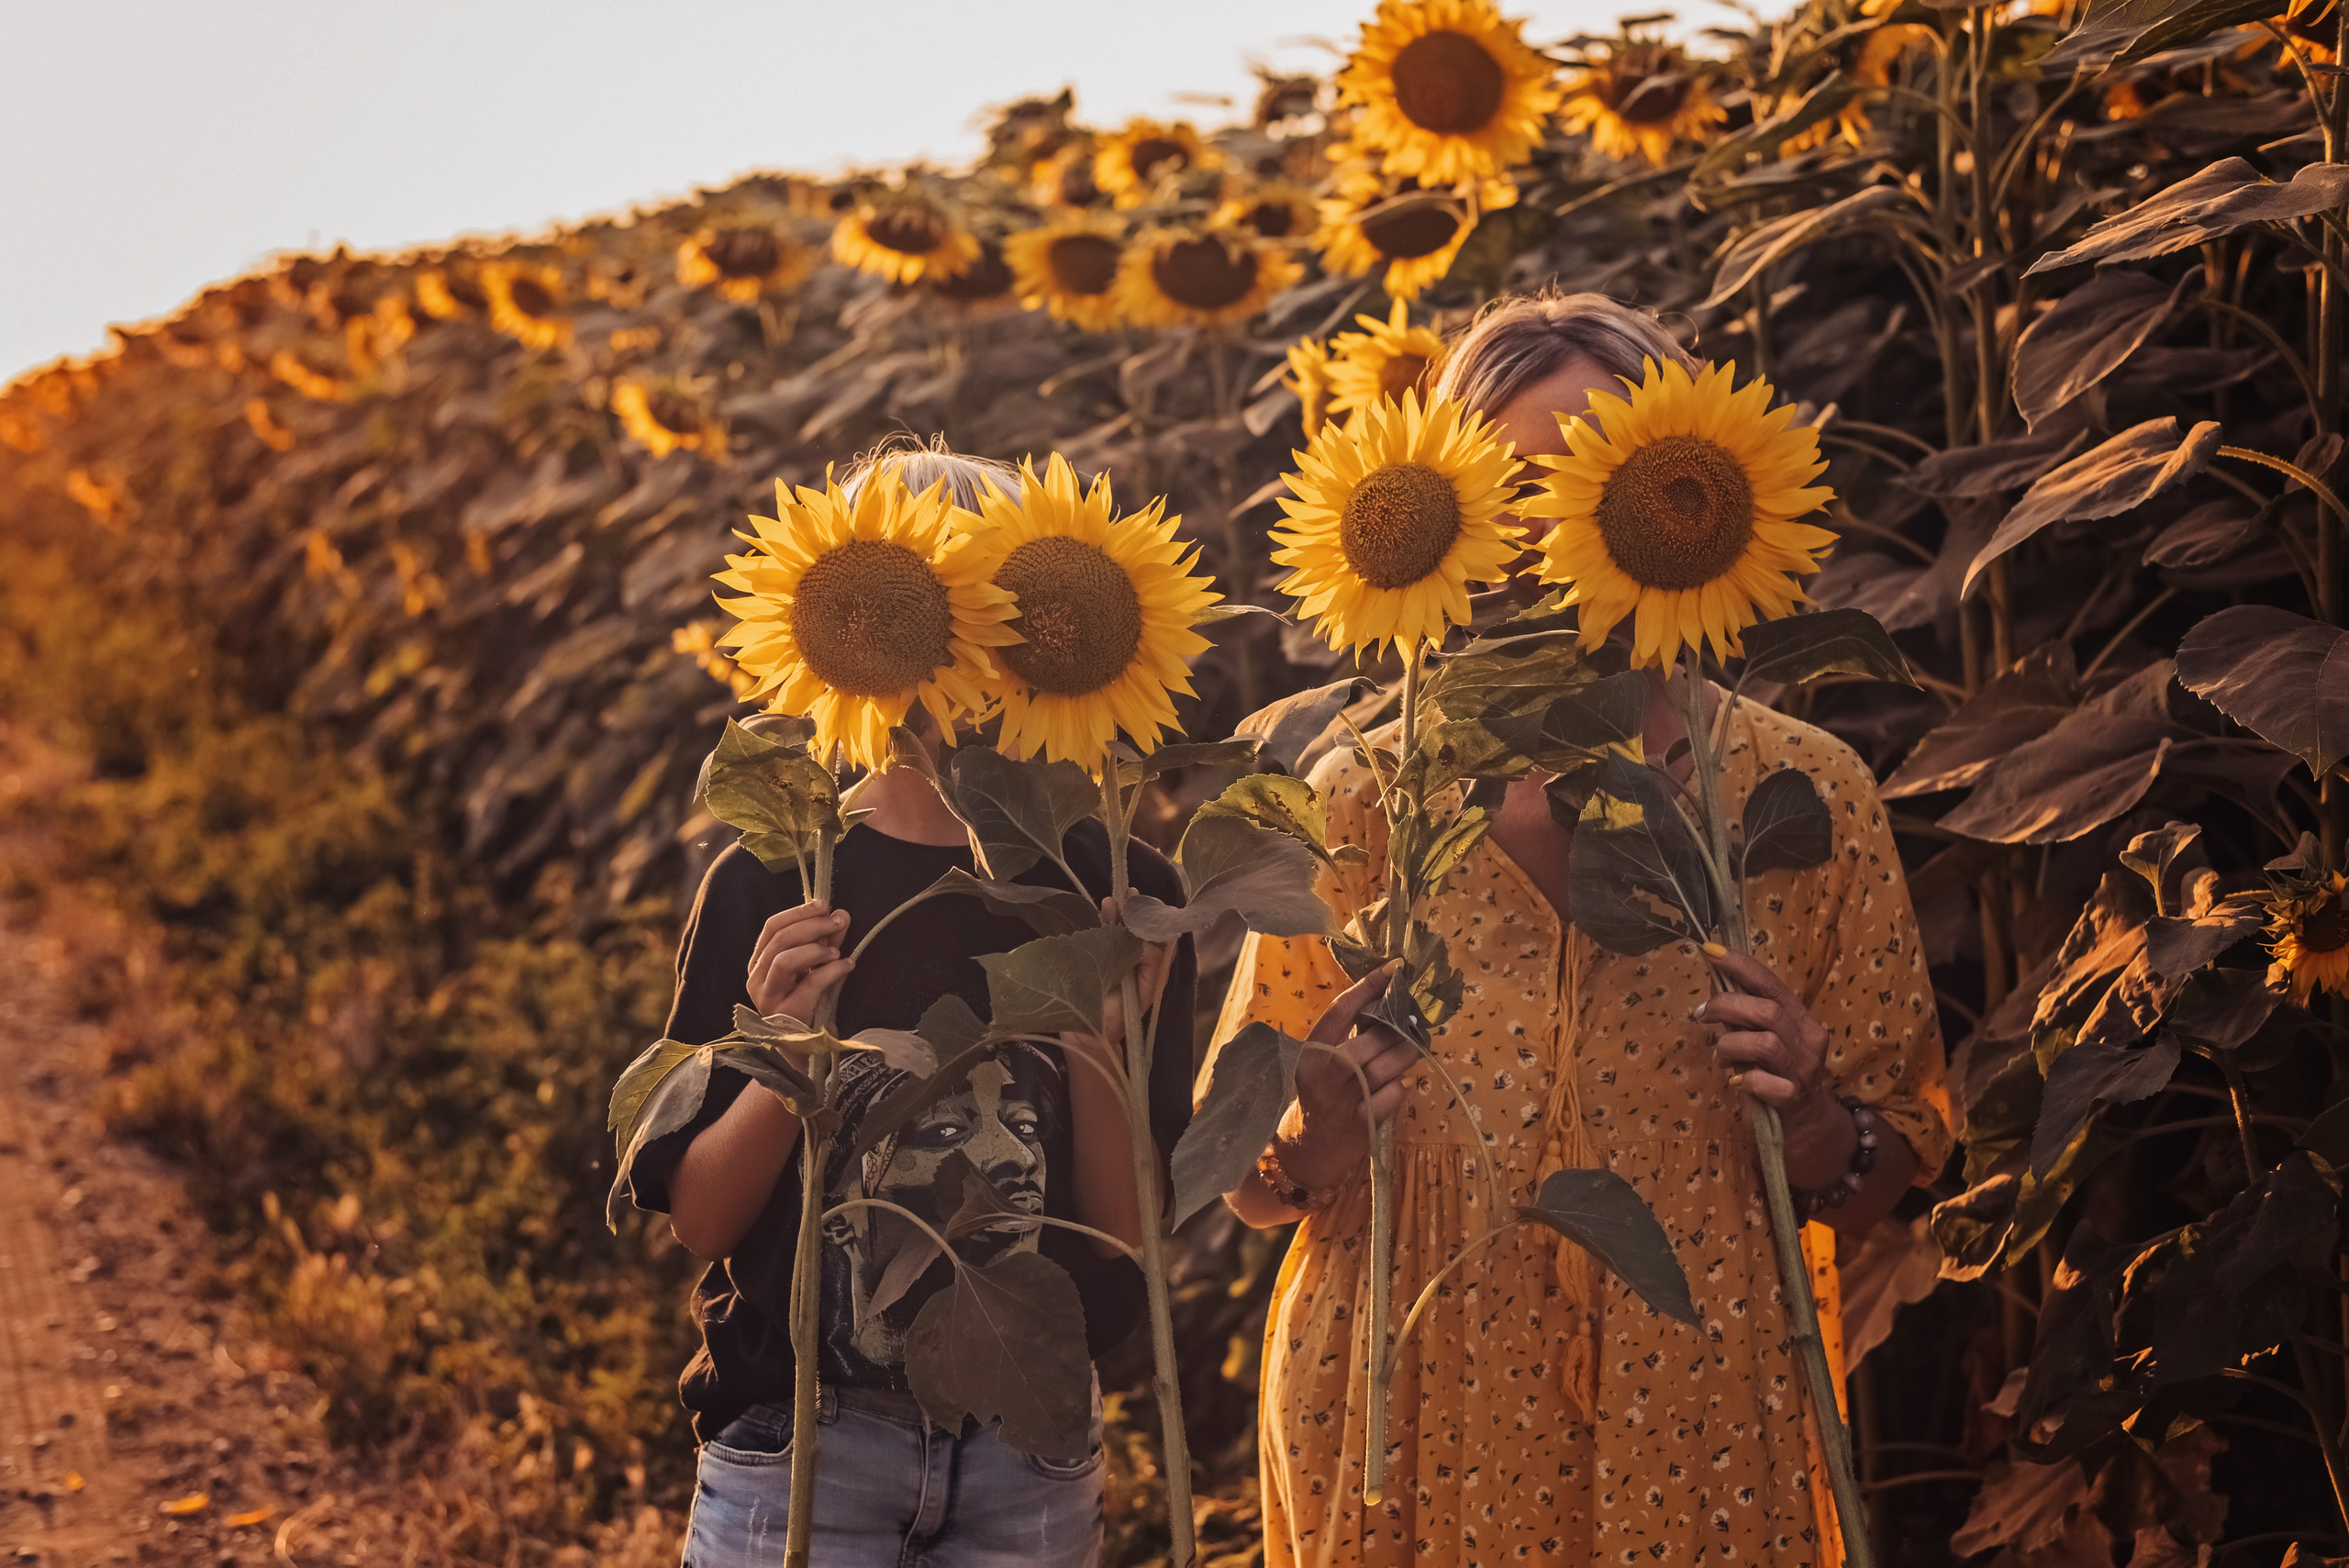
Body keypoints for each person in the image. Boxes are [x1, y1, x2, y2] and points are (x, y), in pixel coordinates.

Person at [1205, 291, 1954, 1568]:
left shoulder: (1803, 797)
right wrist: (1310, 1133)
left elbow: (1897, 1175)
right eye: (1516, 489)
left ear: (1687, 492)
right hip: (1407, 1412)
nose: (1556, 532)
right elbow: (1248, 1184)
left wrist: (1818, 1116)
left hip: (1703, 1408)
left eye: (1596, 476)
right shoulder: (1362, 800)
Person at [622, 438, 1196, 1568]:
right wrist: (787, 1050)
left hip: (1025, 1449)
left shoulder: (1119, 889)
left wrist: (1091, 1023)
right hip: (801, 1436)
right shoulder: (775, 876)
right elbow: (699, 1220)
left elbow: (1122, 1234)